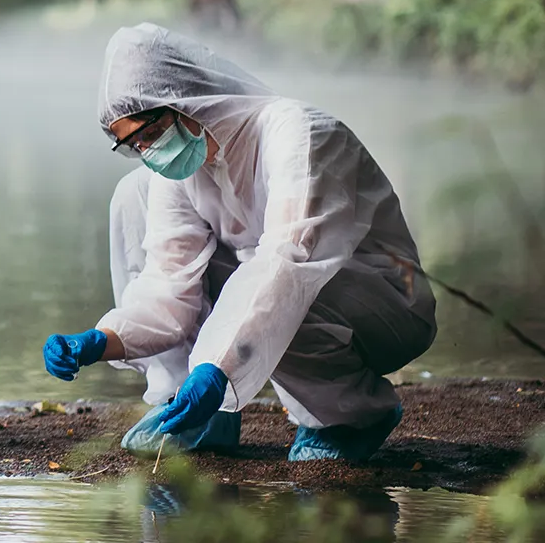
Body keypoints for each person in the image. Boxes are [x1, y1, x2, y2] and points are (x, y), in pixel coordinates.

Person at [43, 23, 436, 462]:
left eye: (149, 135)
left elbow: (288, 265)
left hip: (381, 307)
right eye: (132, 145)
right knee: (135, 194)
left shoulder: (301, 137)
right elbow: (170, 284)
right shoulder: (186, 171)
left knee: (282, 281)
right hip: (284, 297)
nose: (148, 152)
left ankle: (346, 415)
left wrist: (218, 368)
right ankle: (198, 409)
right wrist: (103, 338)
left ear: (183, 100)